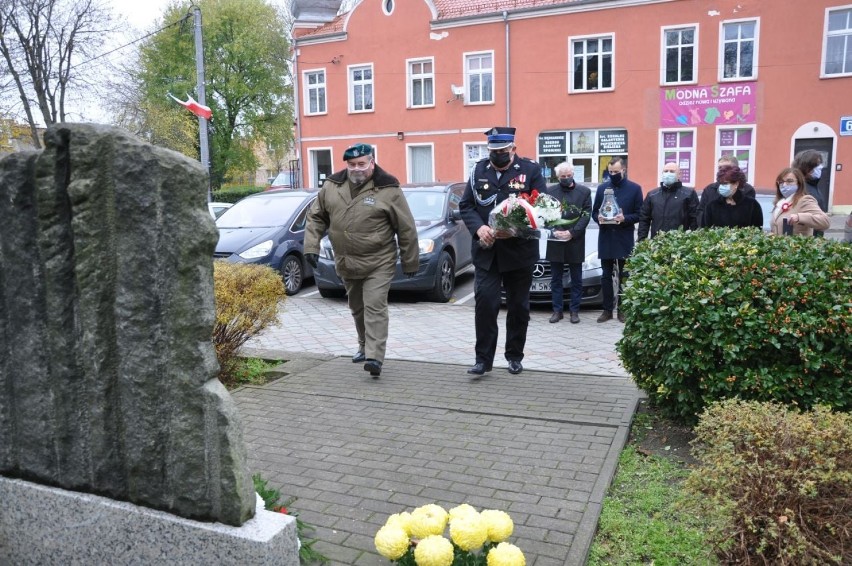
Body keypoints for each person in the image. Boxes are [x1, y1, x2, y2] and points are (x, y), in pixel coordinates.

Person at [304, 143, 419, 378]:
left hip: (379, 260)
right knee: (357, 307)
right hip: (346, 260)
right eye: (352, 164)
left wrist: (410, 261)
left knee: (374, 305)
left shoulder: (388, 188)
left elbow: (406, 227)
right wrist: (311, 246)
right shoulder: (332, 186)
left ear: (372, 162)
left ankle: (375, 357)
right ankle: (364, 345)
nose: (356, 169)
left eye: (361, 164)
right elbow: (316, 217)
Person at [459, 126, 547, 376]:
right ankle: (483, 360)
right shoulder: (478, 170)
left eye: (502, 151)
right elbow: (466, 206)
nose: (497, 155)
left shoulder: (530, 170)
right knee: (486, 303)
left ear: (513, 149)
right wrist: (479, 228)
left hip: (519, 252)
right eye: (493, 151)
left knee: (518, 307)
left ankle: (514, 355)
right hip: (487, 252)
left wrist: (515, 229)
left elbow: (542, 209)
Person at [591, 156, 643, 323]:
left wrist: (624, 218)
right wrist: (598, 218)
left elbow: (640, 214)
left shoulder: (635, 189)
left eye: (616, 172)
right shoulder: (602, 189)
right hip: (606, 237)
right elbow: (594, 212)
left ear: (624, 170)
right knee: (606, 276)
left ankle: (622, 310)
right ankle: (607, 310)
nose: (613, 174)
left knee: (624, 275)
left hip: (624, 237)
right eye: (610, 171)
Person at [544, 162, 591, 324]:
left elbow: (586, 215)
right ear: (557, 177)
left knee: (576, 279)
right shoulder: (550, 192)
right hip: (555, 240)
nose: (566, 178)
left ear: (573, 174)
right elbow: (543, 214)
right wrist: (555, 230)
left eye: (568, 175)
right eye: (562, 176)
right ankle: (557, 311)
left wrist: (572, 233)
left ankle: (574, 311)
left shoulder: (583, 192)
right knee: (555, 279)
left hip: (575, 241)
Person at [637, 162, 698, 241]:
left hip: (680, 244)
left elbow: (695, 220)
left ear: (679, 175)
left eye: (672, 171)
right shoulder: (652, 195)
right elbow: (644, 219)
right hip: (657, 243)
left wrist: (694, 240)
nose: (668, 173)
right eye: (666, 171)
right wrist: (642, 240)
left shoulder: (689, 194)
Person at [769, 167, 830, 237]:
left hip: (797, 246)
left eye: (789, 181)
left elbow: (825, 222)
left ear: (799, 183)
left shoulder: (805, 200)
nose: (784, 185)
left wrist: (799, 217)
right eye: (781, 182)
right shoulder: (779, 203)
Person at [697, 155, 755, 226]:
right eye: (720, 168)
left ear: (735, 169)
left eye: (726, 168)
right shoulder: (709, 189)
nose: (722, 170)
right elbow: (701, 212)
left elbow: (750, 216)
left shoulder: (748, 190)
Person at [792, 149, 829, 237]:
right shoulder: (802, 188)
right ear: (806, 168)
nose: (820, 167)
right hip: (807, 238)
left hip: (816, 236)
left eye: (820, 163)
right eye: (817, 165)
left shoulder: (813, 185)